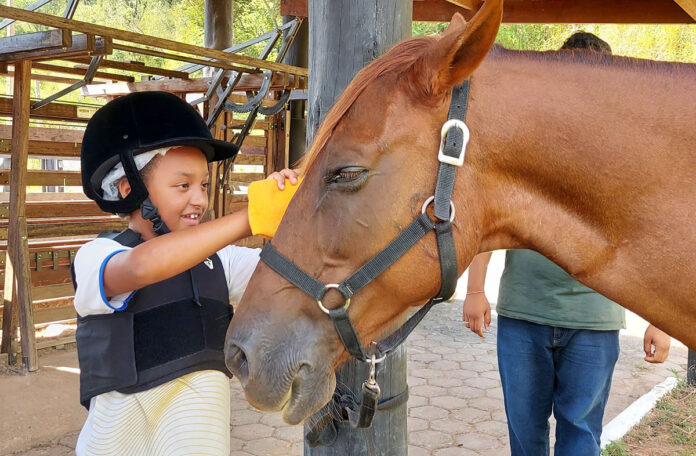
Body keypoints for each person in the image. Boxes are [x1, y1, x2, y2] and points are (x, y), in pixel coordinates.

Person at [462, 33, 672, 456]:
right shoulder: (525, 140)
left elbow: (650, 234)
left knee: (580, 437)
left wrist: (660, 318)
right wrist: (474, 289)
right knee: (526, 439)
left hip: (595, 321)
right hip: (524, 315)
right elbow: (492, 213)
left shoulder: (627, 154)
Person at [72, 91, 299, 456]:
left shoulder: (219, 261)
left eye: (204, 185)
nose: (200, 199)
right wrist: (250, 217)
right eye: (183, 185)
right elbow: (140, 267)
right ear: (130, 190)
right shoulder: (98, 255)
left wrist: (301, 199)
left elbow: (292, 272)